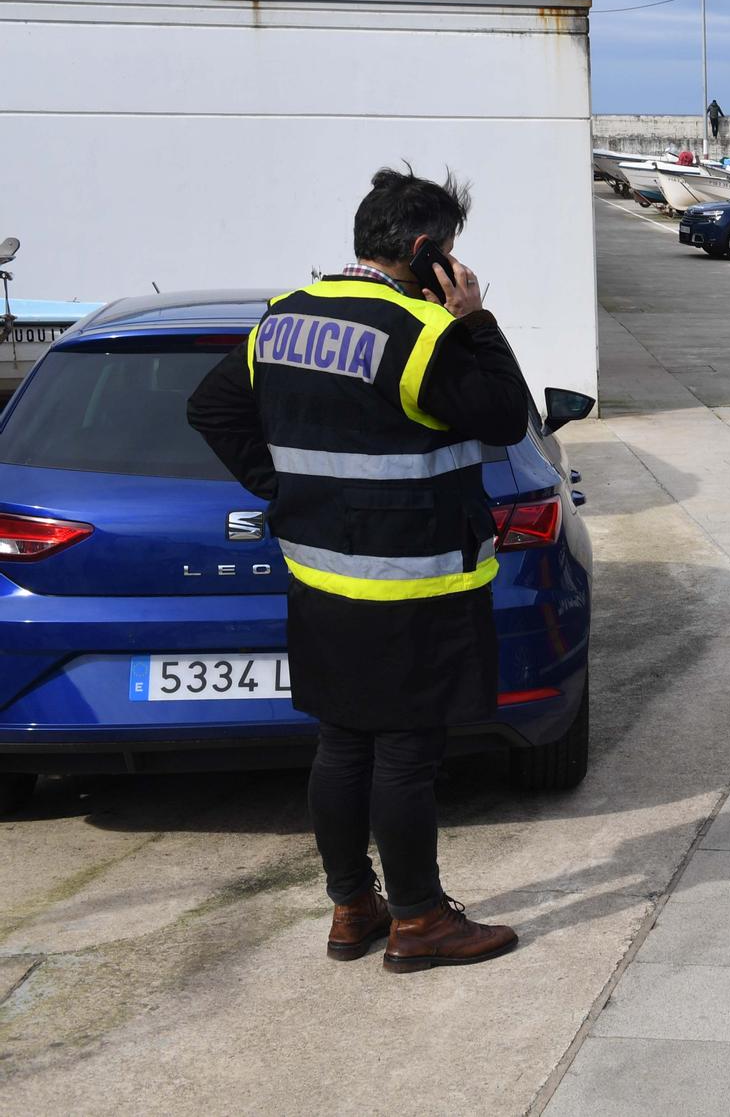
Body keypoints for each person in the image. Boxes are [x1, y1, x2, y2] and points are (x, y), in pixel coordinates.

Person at [187, 166, 533, 971]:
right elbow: (506, 415)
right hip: (415, 584)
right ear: (426, 250)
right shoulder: (424, 330)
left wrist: (284, 488)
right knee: (407, 752)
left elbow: (211, 409)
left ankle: (352, 908)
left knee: (342, 745)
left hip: (322, 579)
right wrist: (476, 319)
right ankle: (419, 921)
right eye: (449, 250)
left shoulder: (280, 318)